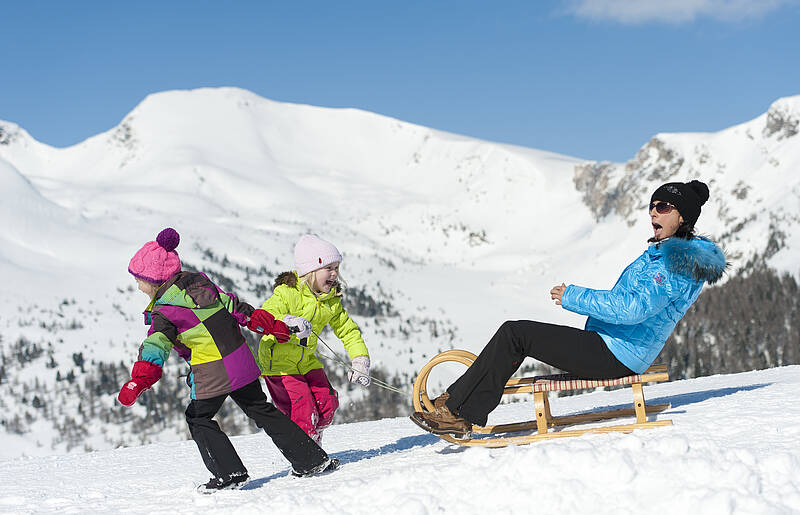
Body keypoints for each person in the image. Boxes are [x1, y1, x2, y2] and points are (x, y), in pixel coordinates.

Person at [410, 180, 727, 438]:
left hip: (616, 354)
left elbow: (632, 309)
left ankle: (459, 413)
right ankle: (456, 404)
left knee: (516, 334)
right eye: (652, 206)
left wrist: (573, 296)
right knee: (517, 335)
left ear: (683, 216)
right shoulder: (664, 254)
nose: (653, 212)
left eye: (663, 207)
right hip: (612, 347)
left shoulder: (675, 265)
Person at [117, 228, 338, 493]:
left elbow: (155, 346)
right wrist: (275, 327)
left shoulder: (164, 311)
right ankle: (311, 460)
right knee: (261, 409)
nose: (138, 285)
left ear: (154, 280)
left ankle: (230, 474)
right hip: (241, 361)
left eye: (139, 279)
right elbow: (238, 309)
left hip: (212, 372)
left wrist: (139, 380)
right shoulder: (200, 284)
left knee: (198, 418)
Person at [257, 234, 370, 444]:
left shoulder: (330, 301)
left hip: (307, 361)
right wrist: (288, 322)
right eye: (329, 268)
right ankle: (308, 457)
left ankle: (311, 445)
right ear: (310, 271)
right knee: (302, 411)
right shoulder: (287, 294)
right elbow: (265, 316)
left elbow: (348, 330)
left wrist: (360, 359)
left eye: (336, 268)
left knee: (327, 404)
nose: (335, 274)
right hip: (280, 365)